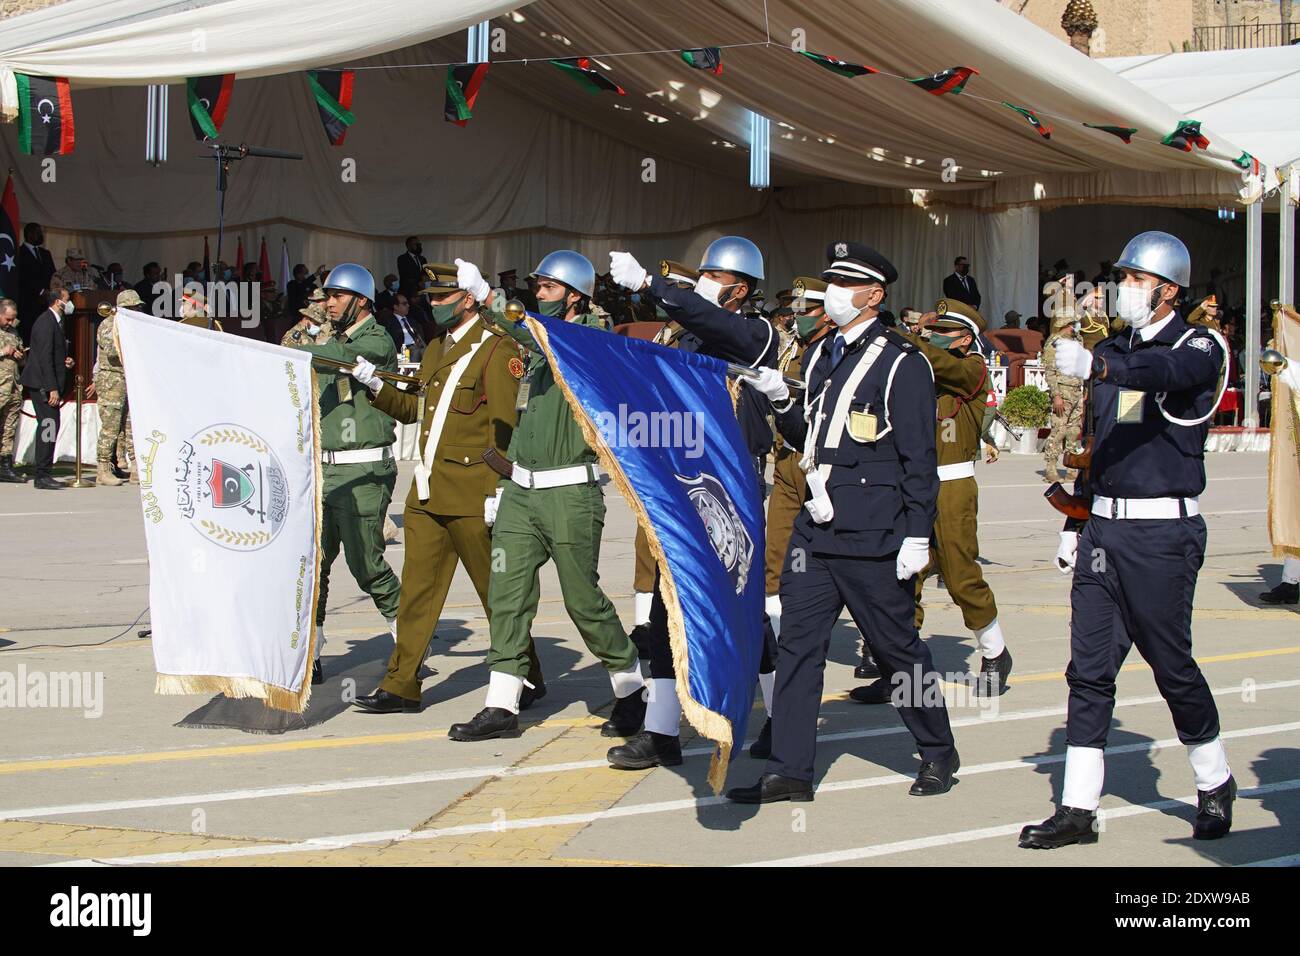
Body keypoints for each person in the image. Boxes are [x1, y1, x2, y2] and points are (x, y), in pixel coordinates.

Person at [1021, 231, 1234, 849]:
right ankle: (1077, 807)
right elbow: (1104, 447)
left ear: (1169, 289)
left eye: (1137, 279)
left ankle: (1213, 779)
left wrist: (1102, 365)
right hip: (1104, 528)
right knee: (1087, 672)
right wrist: (1074, 522)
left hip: (1162, 532)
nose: (1124, 289)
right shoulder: (1113, 350)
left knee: (1171, 665)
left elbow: (1171, 371)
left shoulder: (1197, 344)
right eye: (1122, 277)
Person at [731, 240, 958, 803]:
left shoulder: (903, 362)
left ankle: (936, 750)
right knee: (800, 649)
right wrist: (781, 397)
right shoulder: (826, 352)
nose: (828, 294)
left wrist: (915, 535)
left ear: (873, 295)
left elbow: (918, 459)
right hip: (817, 526)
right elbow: (812, 434)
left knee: (897, 648)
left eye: (841, 284)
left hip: (873, 532)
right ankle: (790, 769)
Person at [447, 251, 647, 741]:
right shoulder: (539, 340)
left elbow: (536, 335)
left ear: (576, 297)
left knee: (583, 601)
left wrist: (488, 299)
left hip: (570, 494)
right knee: (507, 596)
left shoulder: (589, 338)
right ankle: (501, 704)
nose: (539, 294)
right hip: (521, 492)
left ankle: (630, 687)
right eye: (537, 287)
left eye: (549, 288)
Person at [605, 236, 779, 769]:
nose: (701, 281)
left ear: (741, 288)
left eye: (713, 276)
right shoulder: (688, 334)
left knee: (742, 605)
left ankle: (780, 714)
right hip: (680, 482)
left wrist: (651, 285)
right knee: (665, 605)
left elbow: (717, 326)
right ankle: (661, 732)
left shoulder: (755, 332)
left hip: (729, 489)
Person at [349, 262, 541, 714]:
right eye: (430, 298)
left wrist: (502, 490)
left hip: (475, 493)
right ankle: (401, 684)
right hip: (429, 490)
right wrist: (376, 384)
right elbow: (416, 409)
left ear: (468, 299)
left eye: (442, 298)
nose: (432, 305)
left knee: (496, 594)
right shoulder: (436, 347)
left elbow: (507, 427)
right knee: (417, 592)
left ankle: (526, 677)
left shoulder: (497, 349)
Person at [855, 298, 1011, 705]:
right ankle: (898, 671)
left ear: (965, 338)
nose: (934, 335)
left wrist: (903, 336)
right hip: (912, 484)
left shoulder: (971, 370)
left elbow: (945, 367)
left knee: (961, 575)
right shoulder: (921, 371)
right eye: (933, 330)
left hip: (952, 486)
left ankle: (994, 653)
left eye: (943, 331)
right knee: (906, 577)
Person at [763, 276, 879, 734]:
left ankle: (883, 649)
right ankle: (779, 690)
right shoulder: (792, 348)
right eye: (797, 307)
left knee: (854, 574)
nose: (800, 313)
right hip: (787, 465)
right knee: (776, 570)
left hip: (827, 472)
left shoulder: (842, 351)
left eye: (808, 306)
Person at [290, 264, 402, 685]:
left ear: (361, 300)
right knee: (314, 566)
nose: (329, 302)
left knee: (367, 565)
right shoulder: (331, 341)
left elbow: (335, 359)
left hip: (365, 468)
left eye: (337, 295)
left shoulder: (375, 339)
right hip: (324, 471)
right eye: (327, 296)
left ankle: (409, 643)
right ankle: (310, 655)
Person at [20, 289, 74, 490]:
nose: (70, 304)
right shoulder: (45, 322)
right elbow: (43, 358)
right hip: (43, 384)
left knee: (50, 425)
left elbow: (53, 353)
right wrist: (51, 388)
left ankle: (45, 471)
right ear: (58, 302)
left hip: (48, 382)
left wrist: (64, 361)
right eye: (68, 300)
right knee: (49, 425)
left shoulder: (56, 321)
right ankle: (42, 474)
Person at [93, 290, 139, 487]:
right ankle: (103, 468)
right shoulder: (108, 325)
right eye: (133, 307)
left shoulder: (133, 325)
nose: (137, 310)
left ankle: (136, 466)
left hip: (129, 379)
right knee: (111, 426)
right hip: (112, 380)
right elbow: (112, 351)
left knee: (131, 425)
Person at [1042, 309, 1085, 484]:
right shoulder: (1054, 343)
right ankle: (1050, 468)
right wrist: (1056, 395)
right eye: (1074, 324)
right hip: (1063, 391)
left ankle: (1072, 468)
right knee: (1059, 430)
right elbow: (1050, 372)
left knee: (1074, 430)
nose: (1077, 327)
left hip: (1076, 390)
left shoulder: (1078, 341)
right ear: (1067, 325)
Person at [0, 298, 26, 483]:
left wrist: (20, 354)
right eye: (7, 319)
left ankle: (5, 466)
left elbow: (21, 360)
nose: (10, 323)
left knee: (9, 429)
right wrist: (3, 351)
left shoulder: (14, 332)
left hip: (13, 387)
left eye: (13, 319)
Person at [17, 223, 55, 340]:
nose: (41, 235)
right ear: (30, 234)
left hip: (46, 302)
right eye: (38, 233)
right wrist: (40, 291)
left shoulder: (45, 254)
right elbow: (22, 276)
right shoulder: (19, 253)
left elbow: (53, 274)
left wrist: (50, 291)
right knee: (29, 334)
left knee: (44, 334)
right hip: (28, 302)